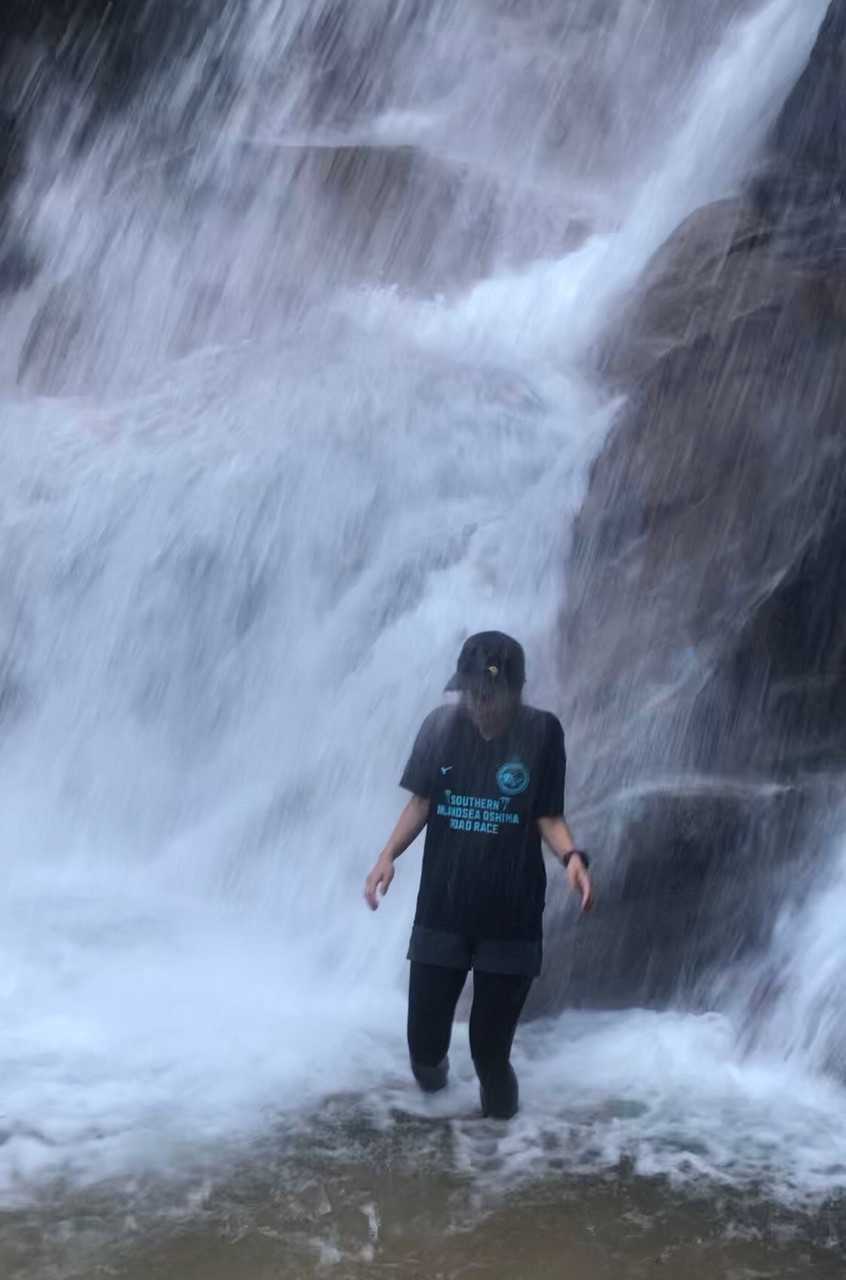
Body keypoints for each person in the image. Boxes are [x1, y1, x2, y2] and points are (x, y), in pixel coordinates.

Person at [364, 631, 592, 1120]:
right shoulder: (440, 727)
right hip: (442, 910)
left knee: (489, 1053)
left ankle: (500, 1144)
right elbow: (421, 802)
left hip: (511, 917)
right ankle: (434, 1120)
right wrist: (387, 856)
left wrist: (572, 858)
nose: (478, 705)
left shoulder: (542, 733)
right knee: (423, 1050)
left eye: (489, 695)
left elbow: (547, 815)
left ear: (516, 691)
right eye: (470, 693)